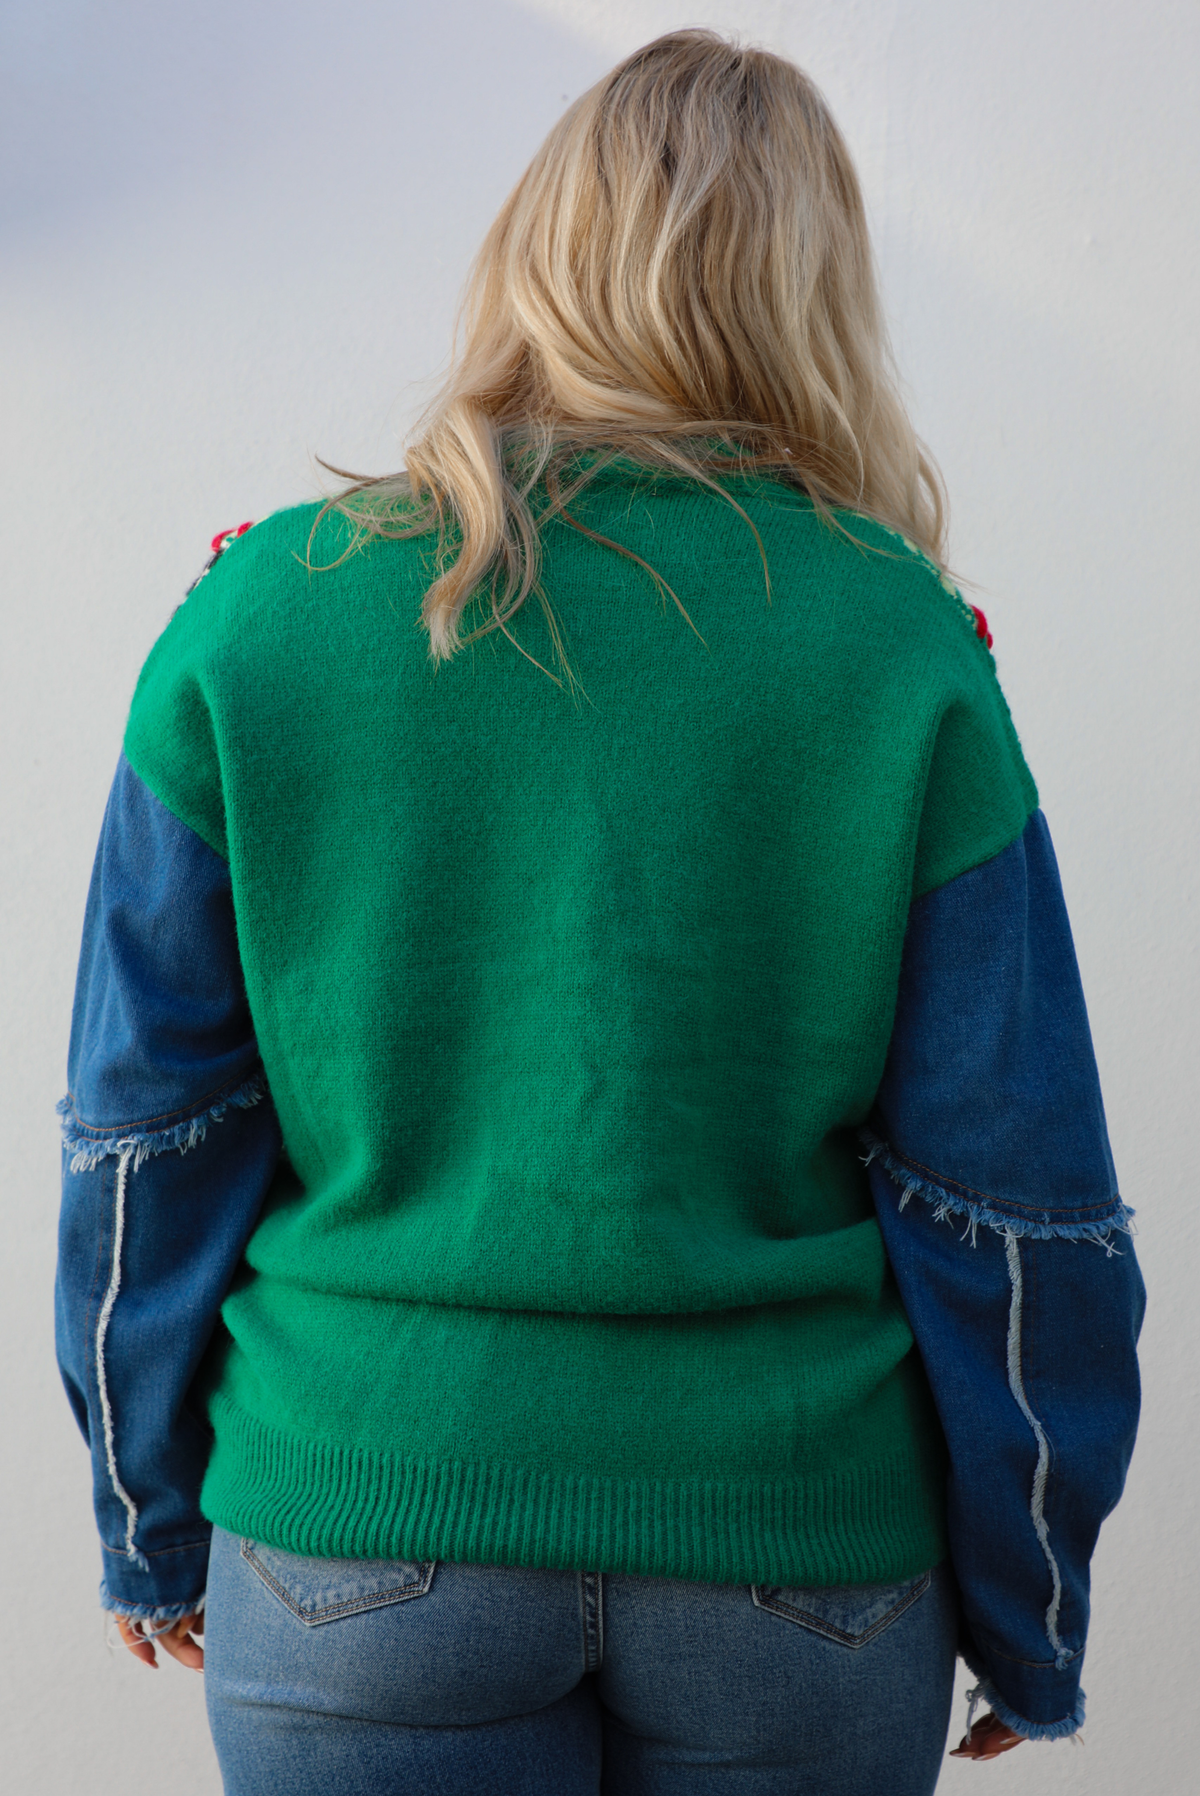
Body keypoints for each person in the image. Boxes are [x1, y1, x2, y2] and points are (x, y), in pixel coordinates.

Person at [55, 29, 1144, 1795]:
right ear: (808, 293)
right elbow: (1013, 1197)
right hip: (797, 1565)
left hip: (359, 1528)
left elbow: (148, 1125)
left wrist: (143, 1511)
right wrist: (1032, 1602)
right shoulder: (897, 646)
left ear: (535, 252)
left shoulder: (263, 615)